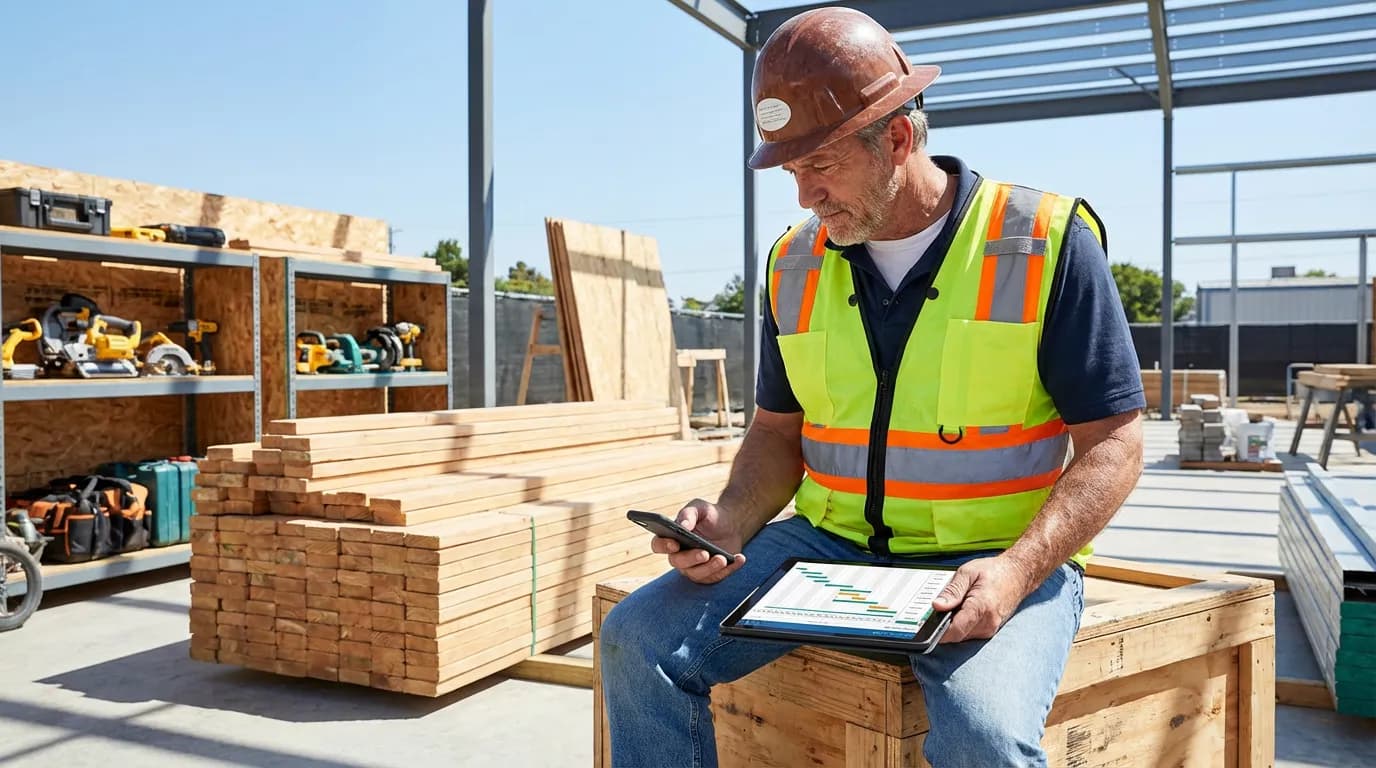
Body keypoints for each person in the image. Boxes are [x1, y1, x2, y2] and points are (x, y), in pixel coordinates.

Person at [599, 7, 1146, 767]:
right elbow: (775, 432)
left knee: (985, 737)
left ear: (897, 136)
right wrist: (728, 518)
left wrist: (1018, 570)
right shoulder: (792, 263)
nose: (804, 196)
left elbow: (1115, 443)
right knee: (636, 641)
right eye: (791, 171)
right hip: (826, 543)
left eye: (819, 164)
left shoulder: (1045, 242)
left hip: (989, 555)